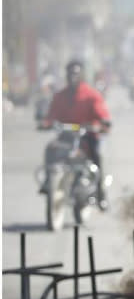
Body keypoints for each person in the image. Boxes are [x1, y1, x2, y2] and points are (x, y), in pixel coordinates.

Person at [39, 60, 112, 211]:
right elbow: (51, 115)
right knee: (50, 149)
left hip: (87, 136)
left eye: (76, 73)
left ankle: (101, 194)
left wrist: (102, 123)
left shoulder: (91, 95)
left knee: (97, 156)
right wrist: (46, 123)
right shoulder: (60, 96)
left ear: (82, 75)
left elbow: (102, 114)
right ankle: (48, 182)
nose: (73, 76)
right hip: (66, 136)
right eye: (70, 73)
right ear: (66, 75)